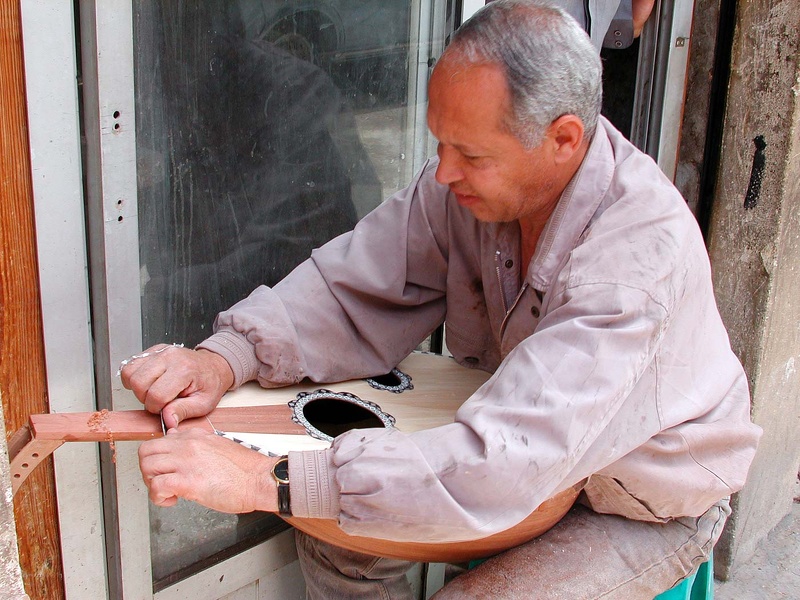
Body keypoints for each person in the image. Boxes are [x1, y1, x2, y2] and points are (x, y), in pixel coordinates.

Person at [123, 1, 761, 598]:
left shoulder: (630, 265)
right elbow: (356, 282)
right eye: (440, 143)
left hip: (638, 502)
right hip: (536, 460)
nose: (445, 171)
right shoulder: (469, 184)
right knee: (344, 547)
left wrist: (263, 479)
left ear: (564, 139)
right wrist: (225, 358)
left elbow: (504, 460)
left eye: (472, 154)